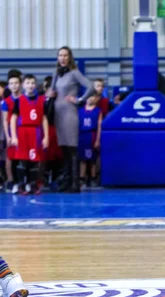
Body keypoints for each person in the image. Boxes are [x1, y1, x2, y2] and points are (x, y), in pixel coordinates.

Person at [47, 46, 94, 193]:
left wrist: (79, 99)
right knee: (63, 148)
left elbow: (91, 87)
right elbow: (52, 91)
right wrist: (50, 94)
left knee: (72, 147)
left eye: (65, 55)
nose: (62, 58)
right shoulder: (56, 73)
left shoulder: (74, 73)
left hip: (70, 113)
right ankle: (66, 181)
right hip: (58, 113)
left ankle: (75, 183)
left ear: (70, 57)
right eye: (60, 55)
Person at [10, 74, 49, 195]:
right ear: (23, 85)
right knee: (22, 160)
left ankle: (32, 184)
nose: (30, 85)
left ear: (35, 84)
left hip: (35, 131)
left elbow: (44, 119)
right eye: (28, 83)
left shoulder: (42, 100)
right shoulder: (19, 100)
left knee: (34, 159)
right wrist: (14, 136)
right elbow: (13, 119)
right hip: (22, 132)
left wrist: (46, 136)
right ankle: (21, 184)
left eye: (32, 83)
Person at [2, 73, 22, 193]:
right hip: (11, 131)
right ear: (8, 86)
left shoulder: (25, 98)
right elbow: (5, 120)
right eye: (11, 83)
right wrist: (8, 135)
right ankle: (10, 180)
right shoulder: (6, 102)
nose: (14, 85)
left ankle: (24, 181)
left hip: (24, 130)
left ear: (20, 84)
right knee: (9, 156)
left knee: (24, 157)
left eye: (16, 83)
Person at [78, 94, 102, 188]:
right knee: (82, 159)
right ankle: (82, 178)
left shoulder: (98, 111)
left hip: (92, 134)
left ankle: (93, 178)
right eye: (88, 96)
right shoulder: (80, 110)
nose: (90, 98)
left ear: (96, 98)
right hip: (82, 135)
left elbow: (99, 126)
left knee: (92, 159)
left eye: (92, 96)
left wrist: (98, 139)